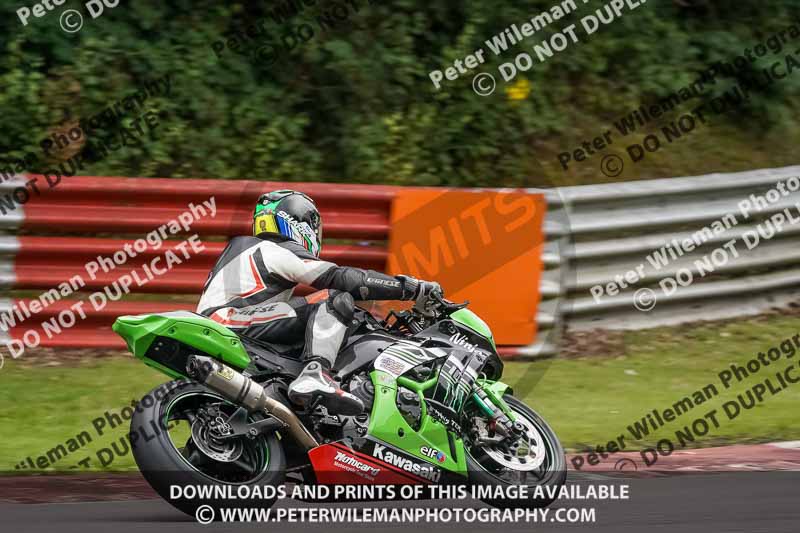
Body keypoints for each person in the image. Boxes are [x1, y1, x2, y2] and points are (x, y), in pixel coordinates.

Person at [196, 190, 441, 415]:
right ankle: (315, 373)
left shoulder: (249, 250)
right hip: (229, 321)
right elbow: (340, 278)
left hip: (229, 323)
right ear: (298, 222)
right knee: (333, 298)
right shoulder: (271, 248)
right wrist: (409, 288)